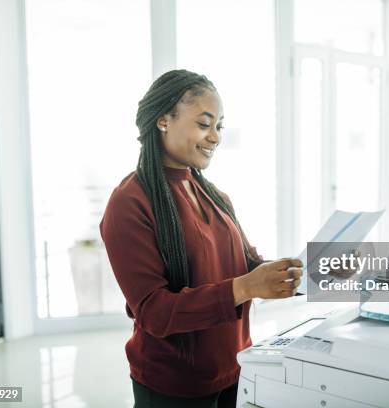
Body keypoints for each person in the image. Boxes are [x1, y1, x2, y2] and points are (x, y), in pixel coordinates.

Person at [99, 69, 302, 408]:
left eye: (219, 126)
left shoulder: (216, 196)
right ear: (164, 121)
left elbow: (246, 263)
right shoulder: (129, 203)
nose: (215, 137)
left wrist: (292, 271)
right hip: (173, 387)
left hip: (235, 368)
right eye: (204, 124)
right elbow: (154, 312)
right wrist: (247, 286)